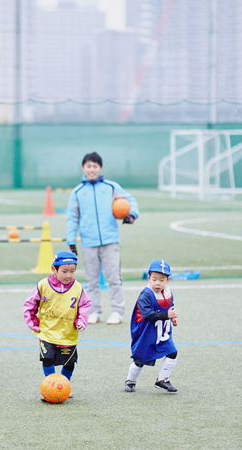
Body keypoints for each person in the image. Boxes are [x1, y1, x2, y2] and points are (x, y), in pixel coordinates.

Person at [66, 152, 139, 325]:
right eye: (88, 166)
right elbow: (72, 217)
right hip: (88, 243)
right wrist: (71, 241)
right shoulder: (77, 192)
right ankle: (94, 311)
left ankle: (117, 312)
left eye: (95, 166)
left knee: (114, 278)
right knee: (91, 281)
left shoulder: (111, 187)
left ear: (101, 168)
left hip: (110, 241)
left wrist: (132, 215)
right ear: (83, 168)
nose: (92, 170)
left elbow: (130, 200)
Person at [23, 250, 91, 398]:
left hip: (68, 334)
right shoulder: (43, 285)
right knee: (47, 359)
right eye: (64, 271)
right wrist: (34, 324)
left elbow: (85, 305)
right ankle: (50, 385)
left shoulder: (78, 288)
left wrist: (81, 321)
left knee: (69, 363)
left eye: (72, 271)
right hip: (47, 332)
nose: (68, 275)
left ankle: (64, 386)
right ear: (54, 269)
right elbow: (29, 305)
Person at [124, 259, 179, 393]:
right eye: (154, 279)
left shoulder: (168, 292)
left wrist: (173, 318)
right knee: (140, 360)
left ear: (168, 280)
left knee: (172, 353)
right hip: (146, 333)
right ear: (149, 278)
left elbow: (169, 307)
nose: (158, 283)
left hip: (162, 333)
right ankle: (130, 381)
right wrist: (167, 315)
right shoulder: (146, 295)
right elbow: (148, 315)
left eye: (161, 279)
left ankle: (162, 379)